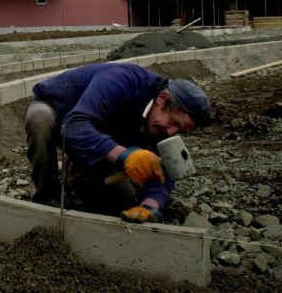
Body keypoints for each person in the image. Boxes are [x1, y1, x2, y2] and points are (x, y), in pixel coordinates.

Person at [25, 62, 211, 223]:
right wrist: (125, 156)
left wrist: (150, 206)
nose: (172, 132)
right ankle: (47, 195)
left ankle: (74, 172)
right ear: (162, 99)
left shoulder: (164, 125)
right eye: (173, 123)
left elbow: (164, 172)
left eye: (180, 130)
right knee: (39, 119)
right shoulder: (122, 79)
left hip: (97, 131)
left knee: (122, 201)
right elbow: (74, 127)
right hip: (62, 114)